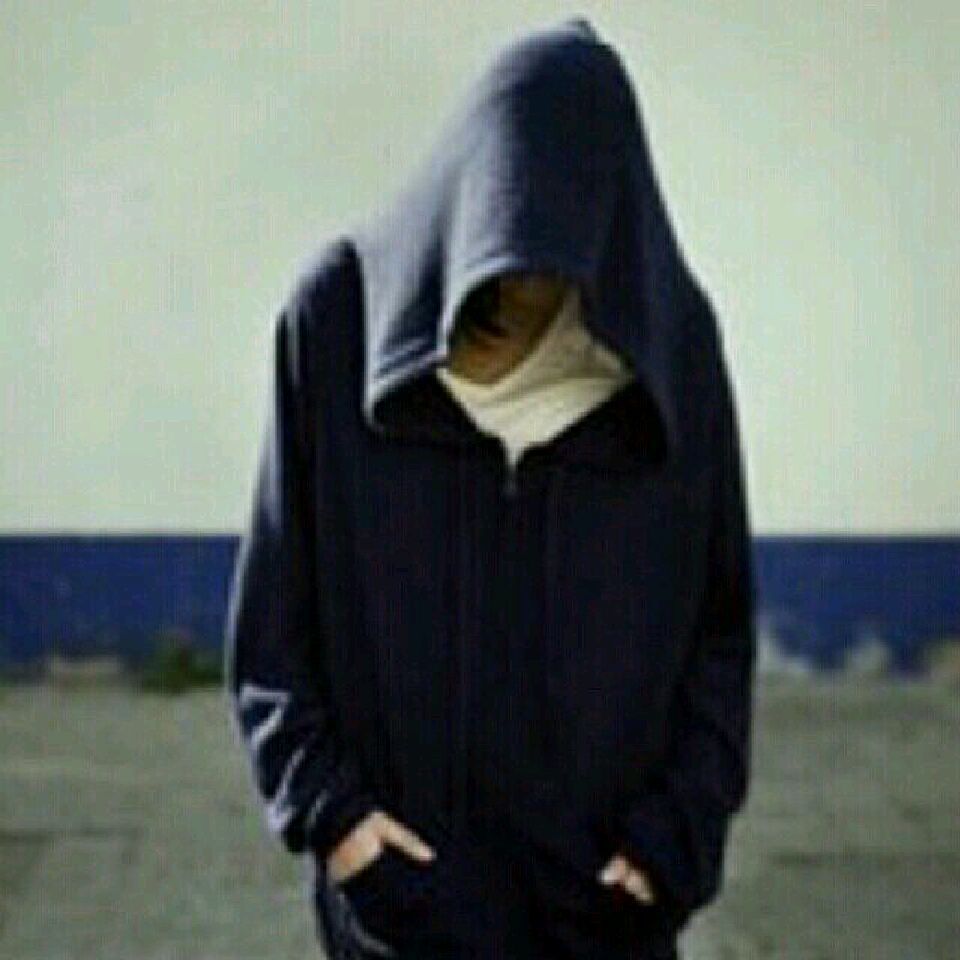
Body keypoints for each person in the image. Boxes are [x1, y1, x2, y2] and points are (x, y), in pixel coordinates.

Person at [224, 16, 757, 960]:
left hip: (602, 915)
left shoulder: (673, 348)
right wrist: (335, 820)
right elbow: (273, 626)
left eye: (549, 271)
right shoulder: (337, 320)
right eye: (501, 267)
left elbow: (719, 630)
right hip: (403, 914)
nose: (520, 297)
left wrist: (671, 842)